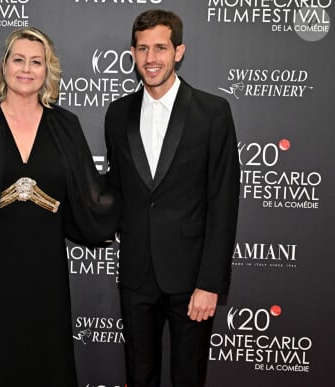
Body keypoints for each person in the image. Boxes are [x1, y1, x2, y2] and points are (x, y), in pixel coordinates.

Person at [0, 27, 119, 387]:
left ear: (48, 71)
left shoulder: (65, 125)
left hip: (44, 272)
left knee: (42, 363)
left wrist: (131, 187)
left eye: (37, 62)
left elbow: (92, 194)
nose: (26, 69)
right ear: (4, 66)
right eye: (18, 59)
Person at [104, 10, 240, 387]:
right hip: (135, 275)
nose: (151, 59)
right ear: (132, 53)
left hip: (191, 278)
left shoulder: (212, 113)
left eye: (160, 48)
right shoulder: (117, 114)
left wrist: (210, 283)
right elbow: (115, 187)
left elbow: (224, 201)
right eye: (143, 49)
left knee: (188, 377)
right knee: (139, 375)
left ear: (178, 51)